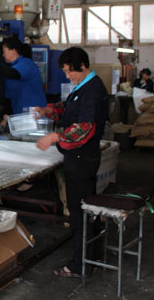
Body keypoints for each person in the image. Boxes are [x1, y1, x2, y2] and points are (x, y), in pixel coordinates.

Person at [34, 47, 108, 278]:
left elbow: (85, 128)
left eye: (69, 71)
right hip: (79, 158)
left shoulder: (92, 90)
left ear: (82, 66)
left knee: (79, 211)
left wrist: (54, 137)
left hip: (81, 159)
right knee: (86, 208)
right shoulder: (83, 87)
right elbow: (69, 108)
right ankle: (93, 255)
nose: (68, 76)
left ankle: (79, 265)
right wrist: (48, 110)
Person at [0, 38, 47, 128]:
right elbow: (9, 97)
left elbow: (12, 73)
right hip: (20, 118)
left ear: (13, 51)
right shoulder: (12, 69)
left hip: (35, 116)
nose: (3, 55)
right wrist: (6, 116)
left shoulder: (27, 64)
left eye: (4, 51)